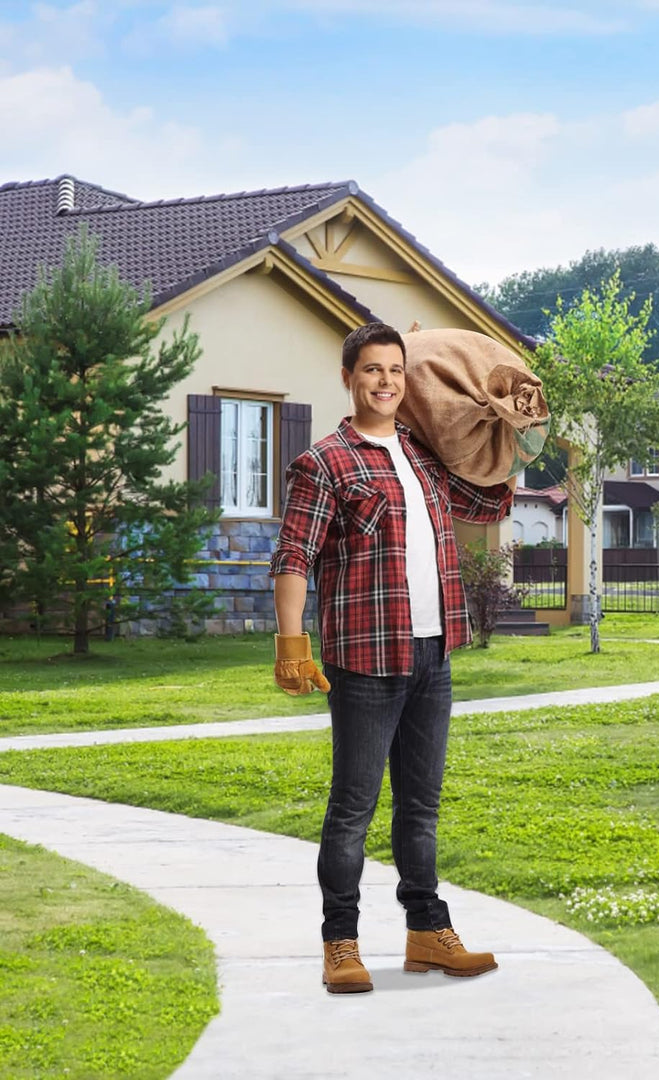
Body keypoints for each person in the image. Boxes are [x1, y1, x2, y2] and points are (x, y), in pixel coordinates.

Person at [269, 321, 513, 994]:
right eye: (372, 370)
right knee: (352, 807)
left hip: (433, 654)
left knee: (421, 806)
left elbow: (485, 500)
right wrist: (292, 641)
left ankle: (427, 932)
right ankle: (340, 945)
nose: (385, 381)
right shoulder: (324, 463)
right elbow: (293, 556)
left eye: (395, 371)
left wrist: (508, 427)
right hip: (365, 659)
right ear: (350, 378)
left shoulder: (423, 454)